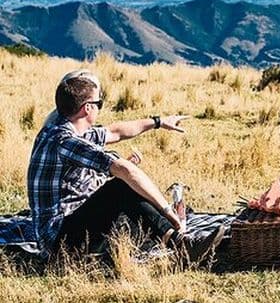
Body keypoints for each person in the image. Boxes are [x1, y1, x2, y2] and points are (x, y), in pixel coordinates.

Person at [27, 69, 223, 264]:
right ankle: (182, 246)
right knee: (122, 187)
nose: (100, 108)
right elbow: (127, 171)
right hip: (59, 245)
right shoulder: (65, 141)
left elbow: (116, 131)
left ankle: (169, 238)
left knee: (127, 195)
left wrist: (159, 122)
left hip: (67, 229)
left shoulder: (63, 130)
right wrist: (167, 212)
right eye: (99, 104)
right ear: (87, 108)